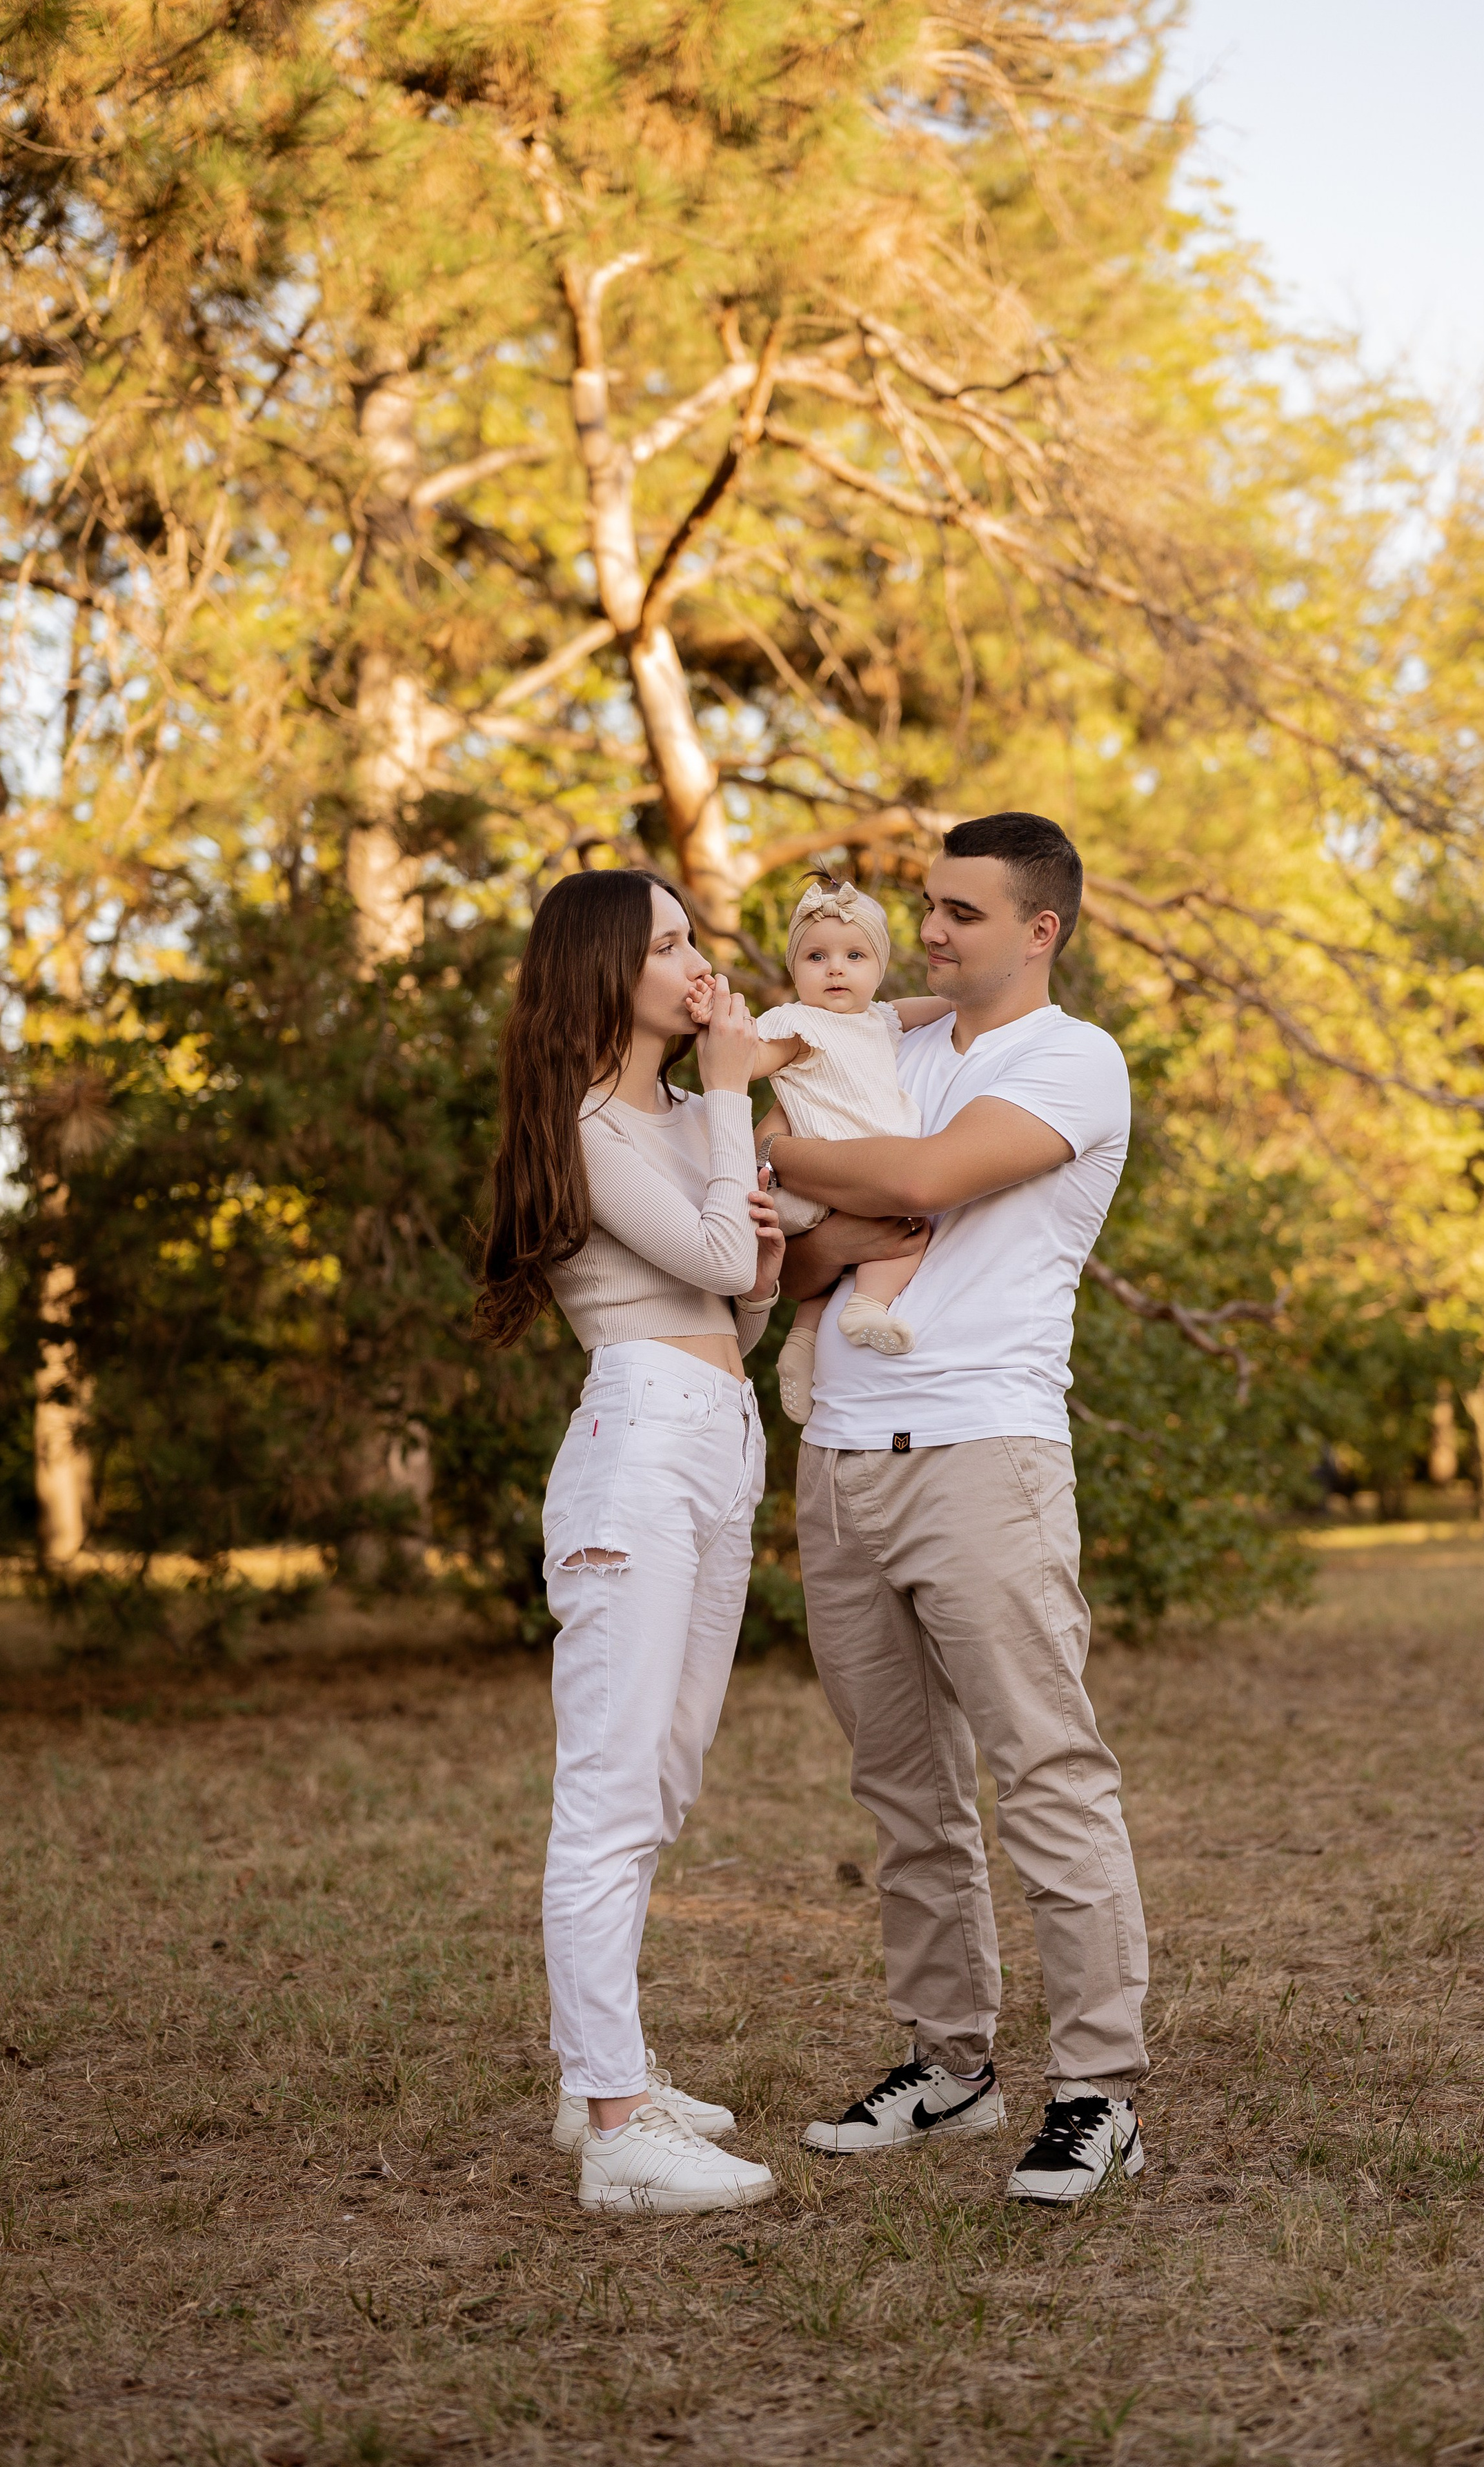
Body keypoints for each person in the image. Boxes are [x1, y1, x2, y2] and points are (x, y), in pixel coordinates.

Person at [765, 812, 1150, 2204]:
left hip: (983, 1456)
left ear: (1039, 929)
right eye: (924, 906)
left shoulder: (1074, 1060)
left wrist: (786, 1154)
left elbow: (919, 1183)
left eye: (959, 914)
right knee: (901, 1789)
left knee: (1043, 1770)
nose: (925, 932)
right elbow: (794, 1267)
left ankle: (1099, 2090)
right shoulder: (883, 1047)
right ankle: (950, 2063)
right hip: (840, 1460)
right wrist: (814, 1193)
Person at [475, 867, 788, 2215]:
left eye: (691, 934)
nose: (695, 958)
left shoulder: (665, 1113)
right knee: (607, 1794)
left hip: (719, 1426)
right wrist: (734, 1096)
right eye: (666, 941)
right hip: (641, 1442)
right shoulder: (589, 1118)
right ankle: (614, 2131)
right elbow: (714, 1264)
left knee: (664, 1772)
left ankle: (599, 2070)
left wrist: (757, 1242)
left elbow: (738, 1301)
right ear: (606, 968)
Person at [744, 874, 951, 1423]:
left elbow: (930, 1007)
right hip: (831, 1171)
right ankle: (867, 1305)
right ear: (794, 971)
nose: (835, 968)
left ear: (878, 970)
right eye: (816, 956)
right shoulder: (798, 1025)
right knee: (910, 1233)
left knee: (840, 1260)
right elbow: (752, 1061)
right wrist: (725, 1031)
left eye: (855, 955)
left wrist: (960, 997)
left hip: (843, 1178)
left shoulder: (880, 1020)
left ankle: (802, 1343)